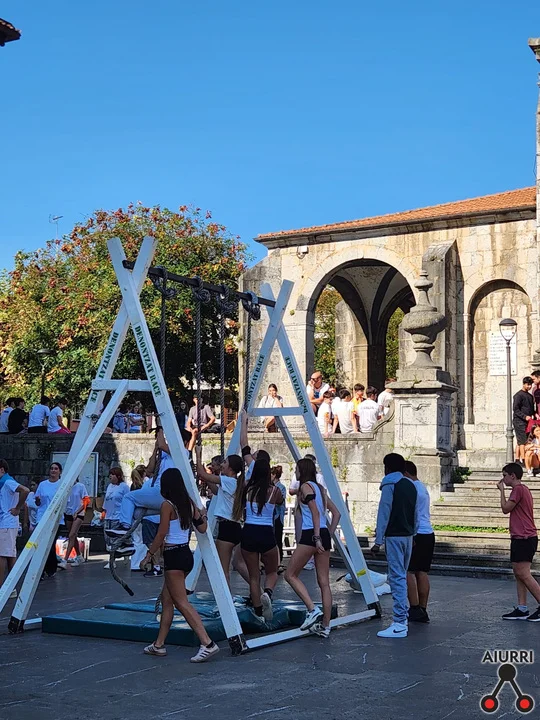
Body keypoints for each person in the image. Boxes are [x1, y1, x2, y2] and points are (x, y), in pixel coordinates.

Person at [141, 468, 219, 662]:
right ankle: (159, 644)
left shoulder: (167, 505)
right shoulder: (189, 503)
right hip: (185, 554)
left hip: (174, 556)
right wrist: (202, 514)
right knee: (167, 600)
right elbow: (203, 528)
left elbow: (161, 533)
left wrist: (148, 555)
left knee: (181, 602)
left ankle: (207, 643)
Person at [284, 458, 341, 638]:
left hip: (311, 534)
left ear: (302, 470)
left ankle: (312, 609)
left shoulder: (305, 487)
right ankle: (326, 626)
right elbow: (337, 513)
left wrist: (316, 538)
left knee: (290, 574)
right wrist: (327, 533)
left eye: (296, 469)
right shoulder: (321, 489)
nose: (295, 472)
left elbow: (315, 513)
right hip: (322, 532)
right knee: (324, 582)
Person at [109, 427, 179, 549]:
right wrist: (155, 449)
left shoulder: (181, 453)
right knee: (135, 513)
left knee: (128, 497)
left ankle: (124, 528)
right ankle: (127, 542)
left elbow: (162, 444)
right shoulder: (163, 457)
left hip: (163, 493)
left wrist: (160, 428)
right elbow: (150, 469)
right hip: (160, 496)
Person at [371, 453, 417, 639]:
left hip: (394, 535)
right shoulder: (410, 485)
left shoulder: (390, 484)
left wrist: (378, 541)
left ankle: (399, 622)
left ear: (387, 468)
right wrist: (414, 533)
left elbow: (384, 512)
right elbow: (414, 512)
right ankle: (402, 617)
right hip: (408, 535)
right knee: (401, 576)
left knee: (396, 577)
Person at [236, 455, 284, 622]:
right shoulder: (275, 491)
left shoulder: (247, 489)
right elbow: (280, 502)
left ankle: (258, 612)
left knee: (254, 576)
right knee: (272, 571)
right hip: (266, 533)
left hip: (249, 531)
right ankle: (268, 593)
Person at [194, 445, 249, 587]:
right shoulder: (233, 483)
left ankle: (227, 598)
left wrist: (198, 454)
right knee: (237, 564)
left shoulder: (229, 481)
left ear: (230, 468)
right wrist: (208, 476)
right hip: (235, 526)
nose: (222, 465)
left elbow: (201, 474)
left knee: (223, 570)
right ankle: (259, 591)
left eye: (224, 462)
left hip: (226, 527)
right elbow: (216, 491)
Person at [498, 463, 540, 621]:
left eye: (504, 475)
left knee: (523, 573)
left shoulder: (518, 490)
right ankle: (522, 608)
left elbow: (505, 508)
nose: (503, 479)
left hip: (524, 537)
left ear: (512, 476)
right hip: (520, 536)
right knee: (518, 573)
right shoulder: (524, 489)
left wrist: (502, 491)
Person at [404, 461, 434, 623]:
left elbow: (412, 512)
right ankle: (422, 608)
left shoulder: (412, 488)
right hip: (428, 532)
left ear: (406, 474)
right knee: (422, 571)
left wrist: (412, 534)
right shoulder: (422, 487)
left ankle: (414, 607)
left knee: (409, 571)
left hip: (417, 533)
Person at [0, 459, 29, 598]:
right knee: (10, 555)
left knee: (2, 555)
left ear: (2, 469)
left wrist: (17, 508)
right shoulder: (6, 482)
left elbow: (25, 490)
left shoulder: (7, 482)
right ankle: (10, 587)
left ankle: (2, 588)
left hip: (6, 522)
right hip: (9, 523)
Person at [35, 462, 64, 577]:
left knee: (50, 543)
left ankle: (51, 567)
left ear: (60, 471)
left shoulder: (62, 484)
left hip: (56, 519)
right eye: (52, 468)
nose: (53, 470)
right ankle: (41, 569)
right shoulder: (42, 484)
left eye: (56, 469)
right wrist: (38, 500)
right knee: (41, 543)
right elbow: (37, 502)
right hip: (42, 517)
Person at [102, 467, 131, 569]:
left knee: (114, 539)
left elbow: (128, 501)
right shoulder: (109, 486)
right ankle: (118, 555)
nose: (110, 476)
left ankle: (112, 560)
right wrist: (104, 511)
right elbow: (107, 500)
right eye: (110, 474)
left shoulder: (124, 487)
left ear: (118, 476)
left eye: (113, 474)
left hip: (118, 516)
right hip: (108, 516)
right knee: (107, 539)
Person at [60, 479, 89, 567]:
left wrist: (77, 511)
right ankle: (79, 556)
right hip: (68, 513)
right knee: (73, 536)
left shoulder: (80, 486)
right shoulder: (66, 486)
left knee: (71, 535)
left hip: (78, 514)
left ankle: (65, 560)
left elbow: (86, 501)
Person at [513, 377, 535, 465]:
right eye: (528, 385)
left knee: (520, 441)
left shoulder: (530, 396)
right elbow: (516, 409)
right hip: (519, 421)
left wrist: (534, 414)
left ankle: (517, 459)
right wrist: (524, 416)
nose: (529, 387)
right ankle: (524, 459)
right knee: (523, 441)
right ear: (524, 384)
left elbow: (531, 408)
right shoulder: (518, 395)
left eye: (530, 385)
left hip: (527, 421)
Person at [271, 466, 287, 570]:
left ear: (274, 475)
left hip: (277, 515)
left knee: (277, 537)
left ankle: (278, 560)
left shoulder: (281, 487)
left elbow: (280, 501)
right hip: (272, 516)